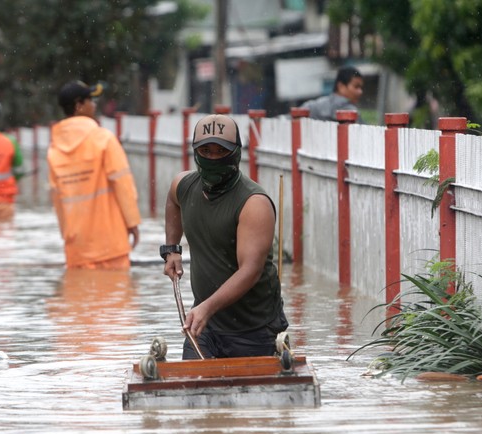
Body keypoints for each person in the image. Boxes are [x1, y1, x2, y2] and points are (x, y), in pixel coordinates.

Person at [162, 114, 288, 359]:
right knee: (192, 389)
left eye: (221, 151)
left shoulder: (254, 204)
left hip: (254, 329)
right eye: (205, 150)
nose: (212, 158)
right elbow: (172, 200)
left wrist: (206, 307)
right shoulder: (184, 186)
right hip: (205, 328)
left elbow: (249, 271)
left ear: (236, 153)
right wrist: (172, 249)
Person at [47, 80, 141, 270]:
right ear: (79, 105)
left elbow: (58, 201)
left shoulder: (54, 149)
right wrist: (133, 223)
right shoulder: (104, 138)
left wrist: (68, 237)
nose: (95, 104)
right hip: (110, 243)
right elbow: (122, 183)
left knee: (79, 297)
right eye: (90, 99)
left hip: (76, 248)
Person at [300, 66, 364, 123]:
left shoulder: (312, 107)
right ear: (341, 87)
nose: (360, 91)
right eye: (356, 87)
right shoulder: (351, 111)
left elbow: (292, 119)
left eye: (361, 88)